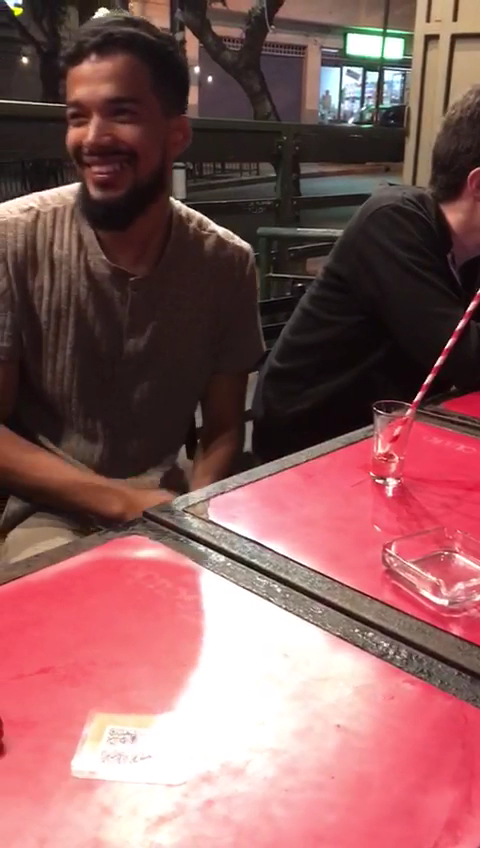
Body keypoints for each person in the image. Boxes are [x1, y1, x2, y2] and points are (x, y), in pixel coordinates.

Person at [0, 12, 264, 563]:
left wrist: (198, 513)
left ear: (176, 135)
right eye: (77, 117)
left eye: (121, 113)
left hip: (168, 504)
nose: (94, 138)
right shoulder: (13, 239)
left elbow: (222, 430)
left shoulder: (227, 264)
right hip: (42, 512)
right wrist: (121, 502)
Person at [252, 85, 480, 462]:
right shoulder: (394, 221)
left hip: (381, 435)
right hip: (306, 442)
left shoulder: (469, 255)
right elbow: (464, 357)